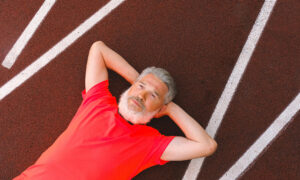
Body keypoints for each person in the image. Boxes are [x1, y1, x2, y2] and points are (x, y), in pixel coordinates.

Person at [14, 41, 217, 180]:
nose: (141, 96)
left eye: (153, 95)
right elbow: (98, 50)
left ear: (159, 109)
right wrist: (136, 81)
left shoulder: (150, 144)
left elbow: (206, 145)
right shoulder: (98, 103)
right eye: (141, 87)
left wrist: (170, 109)